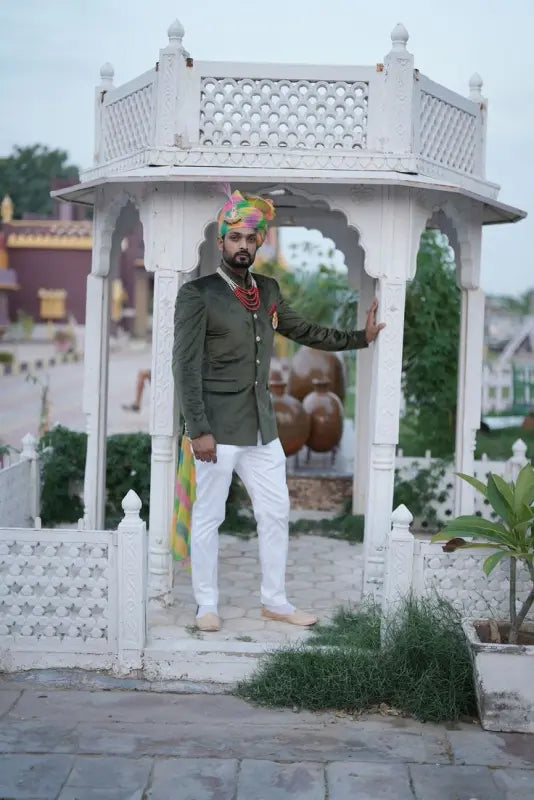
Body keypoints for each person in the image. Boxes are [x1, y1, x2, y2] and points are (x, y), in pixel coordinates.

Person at [172, 189, 385, 632]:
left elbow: (303, 329)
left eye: (251, 239)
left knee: (276, 512)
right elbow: (185, 366)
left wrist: (359, 338)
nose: (243, 246)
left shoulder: (267, 290)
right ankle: (206, 606)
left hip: (262, 429)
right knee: (210, 517)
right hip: (215, 428)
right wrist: (198, 429)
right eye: (235, 238)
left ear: (260, 242)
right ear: (222, 242)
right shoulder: (198, 294)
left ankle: (275, 601)